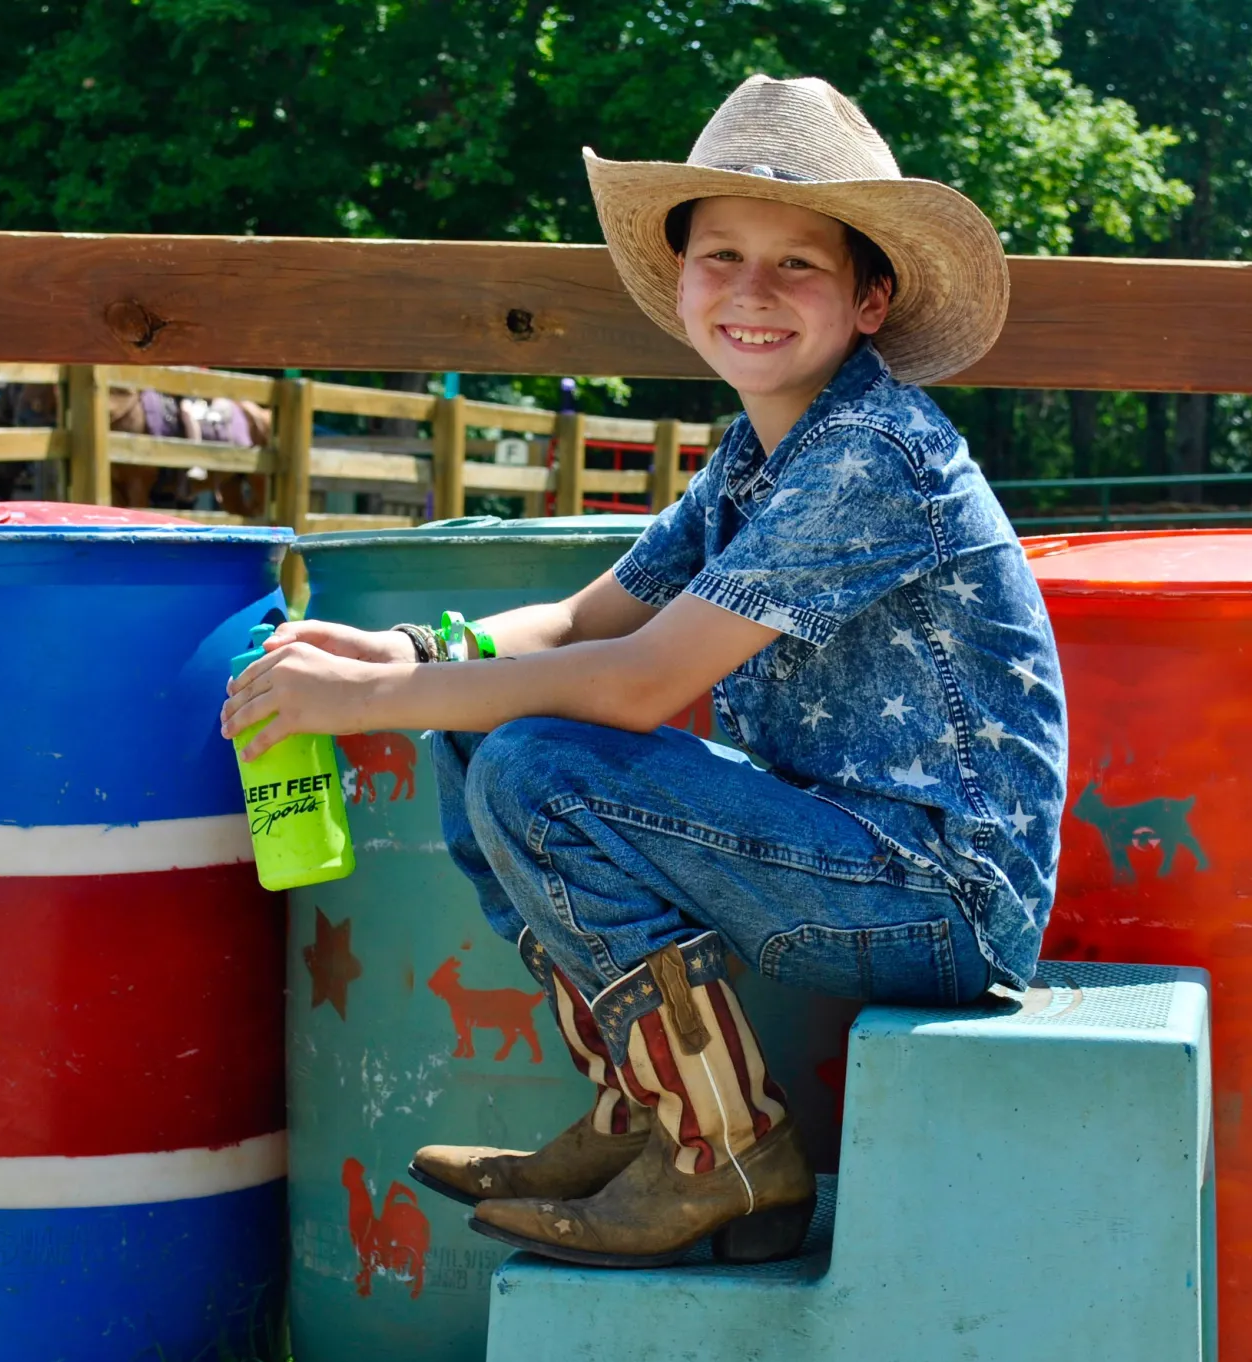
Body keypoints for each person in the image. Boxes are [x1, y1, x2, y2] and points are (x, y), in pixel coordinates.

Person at [221, 73, 1066, 1268]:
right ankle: (653, 1115)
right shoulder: (761, 453)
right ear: (680, 281)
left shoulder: (873, 453)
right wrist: (410, 653)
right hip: (842, 843)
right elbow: (578, 623)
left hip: (937, 888)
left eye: (799, 266)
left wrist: (370, 703)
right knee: (486, 732)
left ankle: (725, 1148)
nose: (751, 293)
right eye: (721, 254)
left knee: (542, 767)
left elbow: (634, 684)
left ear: (872, 300)